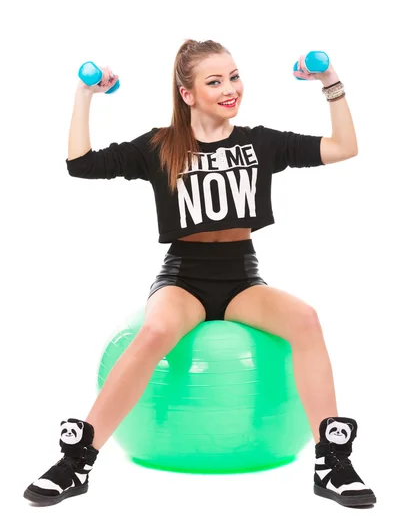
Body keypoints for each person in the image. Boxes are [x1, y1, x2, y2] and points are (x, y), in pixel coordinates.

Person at [24, 39, 376, 508]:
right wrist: (85, 94)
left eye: (234, 76)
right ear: (187, 93)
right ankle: (77, 461)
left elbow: (344, 147)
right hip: (183, 277)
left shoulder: (260, 142)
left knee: (307, 319)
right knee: (155, 331)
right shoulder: (159, 147)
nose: (230, 89)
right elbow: (80, 164)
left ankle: (331, 463)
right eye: (215, 81)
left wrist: (328, 82)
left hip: (242, 278)